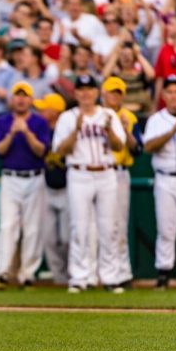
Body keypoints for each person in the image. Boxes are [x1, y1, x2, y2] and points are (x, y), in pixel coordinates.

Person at [52, 74, 126, 294]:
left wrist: (109, 129)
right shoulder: (68, 117)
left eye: (89, 89)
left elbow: (119, 146)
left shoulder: (108, 114)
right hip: (79, 172)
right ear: (75, 93)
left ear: (96, 92)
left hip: (106, 172)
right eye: (81, 89)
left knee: (108, 227)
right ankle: (79, 277)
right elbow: (59, 151)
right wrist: (75, 130)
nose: (85, 93)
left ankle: (110, 277)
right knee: (79, 227)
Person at [0, 82, 50, 290]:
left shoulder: (39, 122)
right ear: (12, 98)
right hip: (10, 177)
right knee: (7, 226)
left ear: (31, 99)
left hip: (34, 177)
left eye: (25, 96)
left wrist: (26, 133)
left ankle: (28, 274)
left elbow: (41, 151)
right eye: (17, 95)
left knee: (33, 228)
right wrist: (11, 134)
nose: (21, 99)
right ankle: (3, 273)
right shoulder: (2, 122)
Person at [143, 75, 176, 290]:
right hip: (166, 178)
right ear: (163, 95)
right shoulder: (156, 119)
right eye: (169, 92)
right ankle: (163, 273)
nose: (173, 96)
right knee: (166, 228)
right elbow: (149, 147)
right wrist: (174, 129)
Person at [101, 77, 143, 289]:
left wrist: (126, 131)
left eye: (118, 92)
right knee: (94, 226)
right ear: (103, 93)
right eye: (111, 92)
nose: (114, 96)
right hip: (97, 173)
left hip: (118, 173)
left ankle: (122, 272)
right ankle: (96, 273)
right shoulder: (95, 115)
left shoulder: (129, 117)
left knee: (118, 225)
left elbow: (138, 149)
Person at [34, 93, 70, 284]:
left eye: (44, 108)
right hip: (45, 185)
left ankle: (72, 273)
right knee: (48, 237)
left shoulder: (66, 130)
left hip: (66, 186)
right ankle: (59, 277)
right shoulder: (41, 129)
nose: (40, 111)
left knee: (66, 238)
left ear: (55, 111)